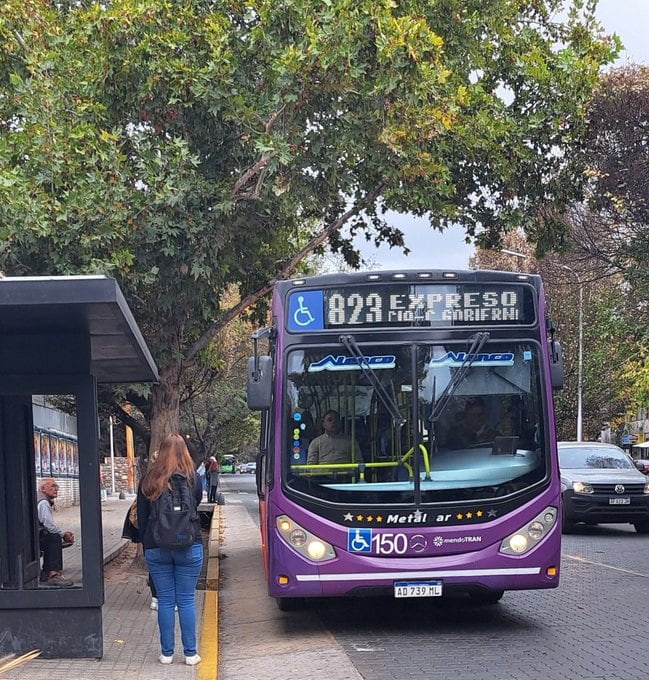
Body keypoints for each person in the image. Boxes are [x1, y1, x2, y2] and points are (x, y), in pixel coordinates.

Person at [137, 434, 203, 666]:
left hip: (156, 546)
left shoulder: (149, 479)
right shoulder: (193, 478)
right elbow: (196, 504)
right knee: (186, 601)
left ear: (161, 451)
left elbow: (142, 518)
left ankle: (166, 654)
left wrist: (147, 546)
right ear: (185, 452)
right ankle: (190, 654)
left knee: (165, 601)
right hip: (189, 544)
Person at [37, 478, 75, 587]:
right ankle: (52, 573)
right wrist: (63, 535)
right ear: (43, 489)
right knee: (54, 538)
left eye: (56, 486)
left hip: (30, 535)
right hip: (32, 537)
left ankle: (46, 573)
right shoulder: (43, 502)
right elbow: (49, 525)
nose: (56, 489)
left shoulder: (39, 498)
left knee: (52, 536)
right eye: (52, 486)